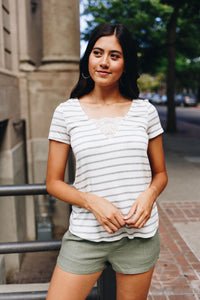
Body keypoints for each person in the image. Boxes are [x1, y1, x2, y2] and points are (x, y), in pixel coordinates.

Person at [46, 23, 168, 300]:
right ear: (87, 57)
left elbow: (160, 174)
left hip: (139, 237)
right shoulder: (66, 113)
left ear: (125, 64)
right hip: (85, 235)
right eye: (97, 53)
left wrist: (149, 195)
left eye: (114, 55)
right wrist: (92, 201)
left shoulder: (145, 112)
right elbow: (53, 183)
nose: (103, 62)